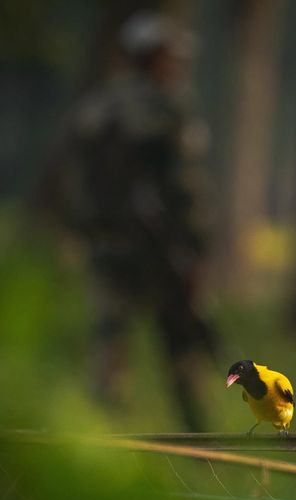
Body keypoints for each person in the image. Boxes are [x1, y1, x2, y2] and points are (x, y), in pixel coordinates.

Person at [37, 12, 215, 431]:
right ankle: (206, 451)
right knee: (183, 352)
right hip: (163, 253)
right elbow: (185, 188)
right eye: (171, 57)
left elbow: (71, 178)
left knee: (109, 349)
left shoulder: (96, 108)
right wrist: (197, 249)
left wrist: (85, 233)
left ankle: (105, 451)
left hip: (107, 248)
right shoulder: (168, 109)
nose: (177, 66)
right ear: (155, 58)